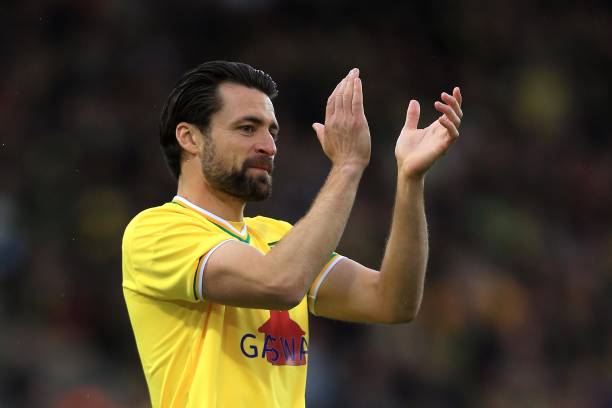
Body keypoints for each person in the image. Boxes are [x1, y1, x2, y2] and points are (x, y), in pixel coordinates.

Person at [122, 60, 463, 407]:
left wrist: (409, 179)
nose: (268, 146)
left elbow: (392, 302)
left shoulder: (278, 239)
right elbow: (279, 283)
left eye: (272, 132)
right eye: (247, 128)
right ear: (190, 138)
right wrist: (347, 166)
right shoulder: (155, 232)